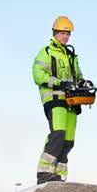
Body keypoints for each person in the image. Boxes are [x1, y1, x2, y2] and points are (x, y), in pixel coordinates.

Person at [33, 15, 87, 183]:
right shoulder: (46, 52)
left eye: (68, 34)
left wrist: (83, 83)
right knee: (58, 135)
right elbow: (38, 75)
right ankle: (44, 173)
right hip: (55, 100)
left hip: (71, 102)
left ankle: (59, 175)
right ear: (55, 33)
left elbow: (77, 76)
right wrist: (58, 82)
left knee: (68, 140)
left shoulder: (72, 56)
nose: (66, 36)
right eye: (63, 33)